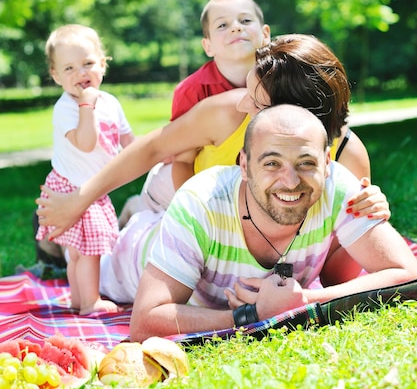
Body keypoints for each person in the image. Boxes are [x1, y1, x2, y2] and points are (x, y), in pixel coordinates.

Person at [35, 37, 390, 241]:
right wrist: (79, 201)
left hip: (236, 241)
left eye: (256, 101)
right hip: (170, 199)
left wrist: (369, 219)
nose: (241, 101)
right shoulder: (227, 113)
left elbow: (334, 260)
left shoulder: (346, 157)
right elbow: (155, 147)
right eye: (246, 88)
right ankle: (126, 212)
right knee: (95, 242)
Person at [127, 105, 417, 341]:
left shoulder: (336, 185)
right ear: (244, 165)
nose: (290, 182)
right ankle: (132, 214)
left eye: (306, 163)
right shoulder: (200, 203)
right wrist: (252, 316)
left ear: (326, 164)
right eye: (271, 163)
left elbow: (408, 274)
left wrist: (304, 301)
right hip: (134, 255)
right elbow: (145, 320)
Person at [118, 0, 270, 225]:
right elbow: (183, 161)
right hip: (179, 180)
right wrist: (192, 213)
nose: (236, 27)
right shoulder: (192, 90)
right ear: (208, 46)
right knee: (154, 224)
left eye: (246, 20)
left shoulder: (279, 78)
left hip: (234, 179)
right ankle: (135, 208)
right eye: (222, 25)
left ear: (266, 34)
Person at [35, 24, 135, 315]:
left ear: (103, 63)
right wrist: (86, 106)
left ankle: (78, 301)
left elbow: (128, 140)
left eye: (88, 63)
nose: (81, 73)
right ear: (56, 76)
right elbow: (86, 142)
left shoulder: (111, 103)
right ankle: (90, 301)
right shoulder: (67, 107)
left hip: (90, 186)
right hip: (72, 187)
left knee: (79, 251)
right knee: (85, 251)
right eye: (69, 68)